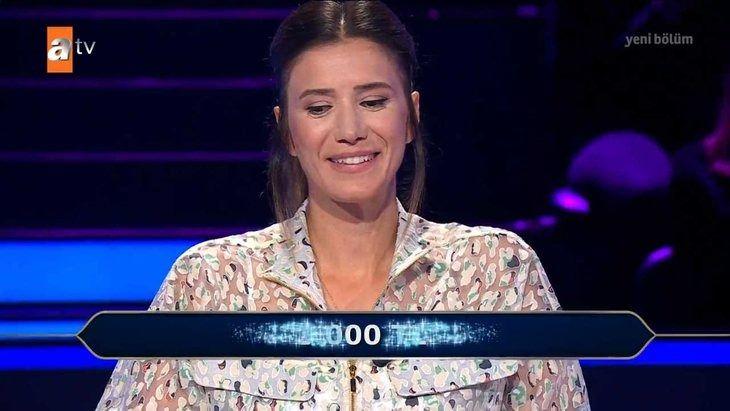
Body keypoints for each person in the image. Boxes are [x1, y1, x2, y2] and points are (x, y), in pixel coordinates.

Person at [96, 1, 590, 409]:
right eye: (319, 108)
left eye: (373, 101)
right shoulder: (210, 282)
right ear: (289, 132)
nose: (350, 130)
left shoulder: (497, 270)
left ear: (411, 115)